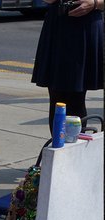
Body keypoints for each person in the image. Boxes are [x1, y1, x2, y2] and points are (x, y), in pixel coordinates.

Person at [32, 0, 103, 132]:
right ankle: (59, 148)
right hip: (59, 27)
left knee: (76, 98)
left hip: (86, 28)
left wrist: (94, 3)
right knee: (57, 99)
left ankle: (76, 147)